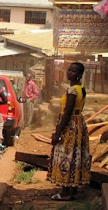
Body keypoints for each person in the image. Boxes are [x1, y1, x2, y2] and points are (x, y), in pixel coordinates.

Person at [47, 62, 91, 201]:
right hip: (79, 124)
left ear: (79, 74)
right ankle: (73, 189)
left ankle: (65, 192)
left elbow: (67, 113)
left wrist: (58, 133)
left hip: (70, 125)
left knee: (66, 156)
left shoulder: (72, 91)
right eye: (69, 70)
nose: (69, 72)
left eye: (73, 71)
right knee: (76, 155)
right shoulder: (81, 88)